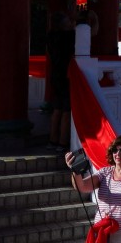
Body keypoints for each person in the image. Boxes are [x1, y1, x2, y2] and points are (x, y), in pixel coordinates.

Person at [46, 12, 75, 151]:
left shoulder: (51, 36)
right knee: (66, 110)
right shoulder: (69, 36)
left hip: (55, 76)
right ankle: (62, 143)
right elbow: (92, 31)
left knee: (57, 109)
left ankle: (52, 140)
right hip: (66, 76)